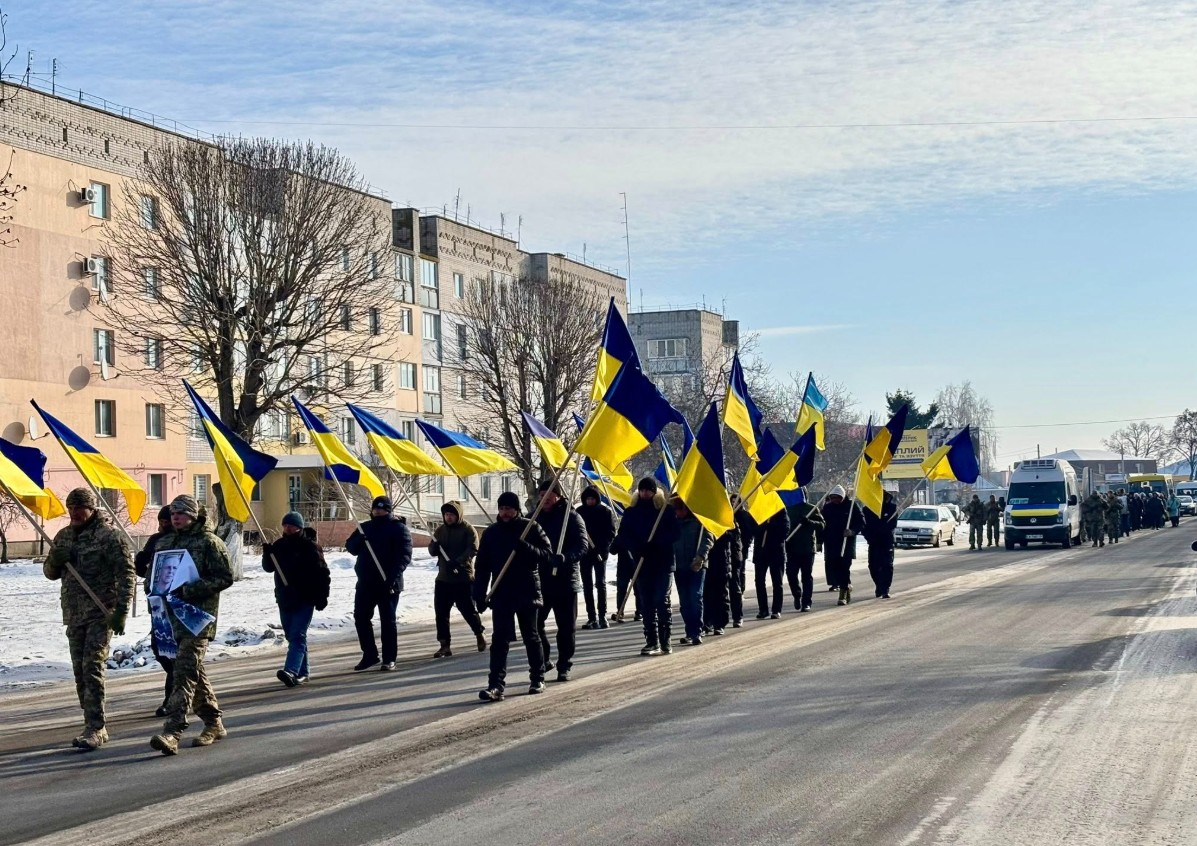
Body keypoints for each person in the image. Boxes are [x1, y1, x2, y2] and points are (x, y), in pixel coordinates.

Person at [44, 488, 134, 751]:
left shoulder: (109, 537)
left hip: (100, 612)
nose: (74, 513)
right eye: (71, 508)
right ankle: (91, 721)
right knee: (80, 673)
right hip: (74, 614)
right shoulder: (64, 536)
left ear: (92, 509)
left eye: (79, 508)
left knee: (92, 667)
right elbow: (50, 573)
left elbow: (126, 575)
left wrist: (121, 611)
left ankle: (96, 727)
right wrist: (55, 561)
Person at [150, 495, 233, 756]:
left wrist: (190, 589)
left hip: (197, 619)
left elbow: (225, 577)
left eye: (181, 513)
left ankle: (172, 732)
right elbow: (155, 575)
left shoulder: (209, 542)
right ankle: (213, 723)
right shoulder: (165, 542)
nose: (176, 517)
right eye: (173, 513)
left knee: (184, 673)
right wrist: (154, 592)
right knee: (191, 670)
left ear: (193, 515)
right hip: (169, 618)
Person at [473, 491, 552, 700]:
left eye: (508, 508)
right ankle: (496, 685)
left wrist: (526, 548)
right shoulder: (491, 533)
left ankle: (537, 678)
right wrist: (479, 594)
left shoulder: (530, 527)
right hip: (502, 592)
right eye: (501, 509)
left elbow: (547, 555)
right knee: (499, 640)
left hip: (526, 589)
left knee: (531, 637)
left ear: (516, 509)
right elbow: (482, 566)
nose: (504, 512)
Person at [263, 511, 330, 687]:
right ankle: (303, 672)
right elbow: (269, 568)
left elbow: (322, 573)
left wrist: (322, 596)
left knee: (297, 635)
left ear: (299, 527)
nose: (287, 528)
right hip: (285, 598)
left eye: (291, 526)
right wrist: (267, 554)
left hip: (305, 597)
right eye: (285, 525)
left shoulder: (310, 547)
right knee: (292, 636)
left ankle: (291, 671)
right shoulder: (279, 546)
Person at [346, 496, 413, 672]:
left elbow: (404, 556)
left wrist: (392, 577)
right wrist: (359, 540)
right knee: (361, 617)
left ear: (388, 510)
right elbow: (351, 548)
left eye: (381, 508)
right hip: (366, 582)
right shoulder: (365, 527)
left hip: (388, 583)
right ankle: (370, 654)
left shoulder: (398, 528)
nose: (377, 511)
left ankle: (389, 658)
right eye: (375, 508)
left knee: (387, 621)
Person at [613, 477, 677, 656]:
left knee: (661, 600)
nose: (644, 493)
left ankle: (665, 639)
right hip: (642, 563)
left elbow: (674, 533)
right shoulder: (631, 512)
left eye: (648, 490)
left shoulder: (665, 510)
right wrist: (637, 547)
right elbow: (624, 534)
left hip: (663, 562)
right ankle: (651, 640)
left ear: (654, 492)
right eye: (642, 490)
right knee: (646, 602)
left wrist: (656, 543)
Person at [533, 479, 588, 682]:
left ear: (557, 496)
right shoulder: (534, 518)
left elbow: (582, 546)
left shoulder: (571, 517)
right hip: (541, 580)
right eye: (541, 495)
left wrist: (565, 557)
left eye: (548, 495)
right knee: (535, 624)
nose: (544, 499)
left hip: (565, 580)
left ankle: (564, 664)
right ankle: (544, 657)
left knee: (566, 627)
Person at [427, 501, 487, 658]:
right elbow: (432, 549)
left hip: (462, 577)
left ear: (458, 515)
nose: (448, 517)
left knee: (467, 609)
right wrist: (434, 548)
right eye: (446, 515)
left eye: (451, 514)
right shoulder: (440, 530)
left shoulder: (467, 529)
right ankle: (444, 645)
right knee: (441, 613)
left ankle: (479, 633)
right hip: (443, 578)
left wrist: (459, 562)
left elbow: (473, 549)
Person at [134, 505, 175, 716]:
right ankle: (184, 684)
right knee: (159, 649)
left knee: (175, 653)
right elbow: (145, 571)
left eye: (167, 522)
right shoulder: (155, 540)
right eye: (161, 522)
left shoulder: (182, 540)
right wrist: (140, 561)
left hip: (178, 603)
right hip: (157, 603)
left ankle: (174, 697)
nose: (163, 525)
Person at [672, 497, 713, 645]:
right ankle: (689, 630)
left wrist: (701, 557)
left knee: (695, 597)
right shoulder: (673, 524)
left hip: (697, 565)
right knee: (684, 601)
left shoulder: (699, 522)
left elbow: (708, 539)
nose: (679, 513)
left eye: (681, 509)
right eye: (676, 510)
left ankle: (697, 631)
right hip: (679, 566)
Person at [576, 485, 616, 629]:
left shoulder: (604, 512)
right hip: (585, 554)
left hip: (599, 553)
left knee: (600, 584)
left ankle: (602, 615)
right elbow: (576, 533)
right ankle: (591, 617)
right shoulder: (579, 513)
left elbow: (611, 533)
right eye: (588, 499)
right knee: (587, 585)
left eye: (592, 499)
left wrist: (603, 548)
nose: (590, 501)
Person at [821, 486, 864, 606]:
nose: (835, 500)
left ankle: (843, 593)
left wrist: (852, 531)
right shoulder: (827, 508)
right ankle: (846, 586)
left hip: (846, 543)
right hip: (831, 543)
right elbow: (822, 524)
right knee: (834, 568)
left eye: (838, 498)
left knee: (844, 567)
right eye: (833, 498)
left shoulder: (851, 506)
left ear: (842, 497)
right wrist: (820, 540)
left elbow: (861, 522)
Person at [785, 495, 826, 612]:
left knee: (806, 576)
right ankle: (797, 594)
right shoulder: (786, 509)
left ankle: (806, 602)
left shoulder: (811, 509)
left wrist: (809, 522)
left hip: (807, 548)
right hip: (791, 548)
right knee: (791, 575)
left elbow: (822, 525)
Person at [752, 508, 790, 619]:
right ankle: (763, 609)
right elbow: (751, 529)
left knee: (777, 582)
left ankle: (776, 609)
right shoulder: (758, 510)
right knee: (759, 581)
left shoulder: (780, 510)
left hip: (776, 552)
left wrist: (772, 527)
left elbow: (786, 529)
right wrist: (762, 527)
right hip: (760, 551)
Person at [704, 517, 738, 635]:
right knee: (706, 594)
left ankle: (720, 623)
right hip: (707, 561)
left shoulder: (726, 517)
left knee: (721, 594)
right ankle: (707, 622)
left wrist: (720, 531)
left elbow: (733, 536)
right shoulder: (703, 517)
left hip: (722, 561)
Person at [862, 490, 899, 598]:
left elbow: (892, 524)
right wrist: (868, 536)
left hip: (886, 541)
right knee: (873, 566)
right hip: (873, 542)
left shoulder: (891, 508)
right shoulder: (867, 510)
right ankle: (878, 585)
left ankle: (885, 589)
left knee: (887, 565)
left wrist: (883, 529)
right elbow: (864, 525)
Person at [732, 503, 757, 624]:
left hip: (740, 549)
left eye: (735, 501)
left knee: (740, 572)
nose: (733, 503)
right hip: (726, 553)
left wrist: (745, 543)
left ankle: (741, 590)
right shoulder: (728, 514)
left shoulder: (745, 515)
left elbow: (750, 530)